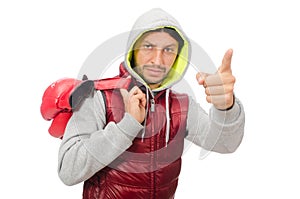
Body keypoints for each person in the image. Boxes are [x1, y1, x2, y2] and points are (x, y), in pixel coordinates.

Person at [54, 8, 245, 199]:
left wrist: (225, 107)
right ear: (132, 50)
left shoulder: (182, 105)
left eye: (168, 50)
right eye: (148, 47)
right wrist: (126, 127)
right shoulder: (98, 96)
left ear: (178, 56)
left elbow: (226, 144)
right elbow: (68, 171)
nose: (158, 60)